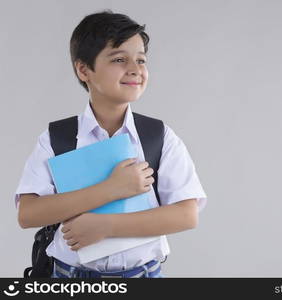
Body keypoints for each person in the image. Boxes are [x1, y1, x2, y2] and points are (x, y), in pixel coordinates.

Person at [14, 10, 207, 278]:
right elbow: (28, 214)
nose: (135, 69)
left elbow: (187, 214)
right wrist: (111, 189)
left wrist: (106, 225)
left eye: (141, 60)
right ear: (84, 70)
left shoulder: (158, 136)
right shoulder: (59, 137)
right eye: (119, 59)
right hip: (70, 277)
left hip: (143, 275)